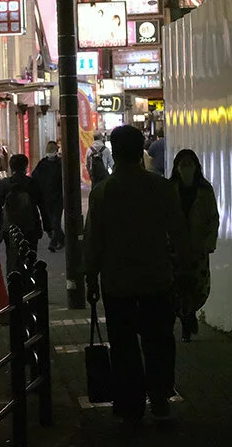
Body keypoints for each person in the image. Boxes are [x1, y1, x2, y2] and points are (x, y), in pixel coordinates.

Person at [82, 125, 191, 422]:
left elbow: (93, 239)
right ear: (140, 150)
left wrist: (90, 277)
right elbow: (179, 232)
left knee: (124, 345)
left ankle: (130, 404)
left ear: (114, 153)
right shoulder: (160, 188)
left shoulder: (104, 192)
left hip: (118, 283)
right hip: (157, 278)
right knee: (158, 341)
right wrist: (183, 268)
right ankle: (159, 394)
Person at [171, 149, 219, 341]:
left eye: (190, 164)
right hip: (175, 248)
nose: (186, 168)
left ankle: (188, 315)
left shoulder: (205, 191)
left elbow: (213, 218)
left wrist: (209, 242)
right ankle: (186, 320)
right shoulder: (170, 188)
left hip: (198, 247)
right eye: (183, 164)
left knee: (196, 286)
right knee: (178, 286)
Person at [0, 153, 46, 260]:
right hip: (30, 226)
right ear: (26, 167)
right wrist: (48, 227)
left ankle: (12, 273)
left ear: (11, 167)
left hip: (10, 227)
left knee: (12, 257)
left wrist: (0, 221)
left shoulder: (3, 184)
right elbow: (42, 205)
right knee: (31, 256)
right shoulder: (33, 183)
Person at [30, 142, 66, 252]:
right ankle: (63, 240)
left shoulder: (59, 163)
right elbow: (34, 177)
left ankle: (53, 243)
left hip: (57, 197)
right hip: (48, 198)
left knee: (55, 221)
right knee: (51, 222)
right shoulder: (44, 164)